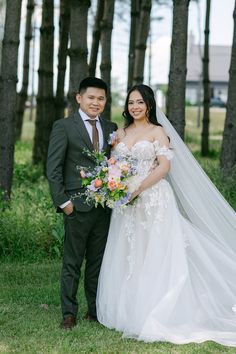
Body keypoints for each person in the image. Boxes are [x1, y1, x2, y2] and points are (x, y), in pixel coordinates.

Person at [96, 84, 236, 346]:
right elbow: (113, 165)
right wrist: (115, 186)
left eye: (139, 102)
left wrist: (138, 188)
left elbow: (165, 166)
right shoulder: (120, 133)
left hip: (153, 199)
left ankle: (157, 307)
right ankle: (128, 308)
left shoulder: (157, 132)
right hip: (125, 202)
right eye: (130, 103)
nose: (134, 107)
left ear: (149, 104)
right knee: (130, 252)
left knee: (154, 251)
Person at [47, 77, 117, 330]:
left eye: (101, 98)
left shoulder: (111, 127)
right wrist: (64, 202)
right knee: (72, 261)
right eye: (91, 97)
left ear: (105, 101)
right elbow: (53, 168)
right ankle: (68, 312)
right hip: (76, 205)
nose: (95, 103)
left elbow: (115, 164)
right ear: (79, 98)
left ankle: (94, 310)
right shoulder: (64, 126)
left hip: (105, 207)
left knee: (98, 262)